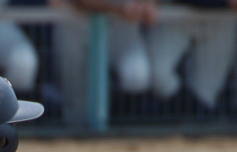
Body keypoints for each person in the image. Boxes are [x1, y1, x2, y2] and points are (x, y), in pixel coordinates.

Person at [147, 0, 237, 114]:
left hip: (219, 19)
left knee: (206, 94)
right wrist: (233, 2)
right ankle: (189, 115)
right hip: (176, 14)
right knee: (158, 74)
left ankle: (196, 122)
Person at [49, 0, 158, 128]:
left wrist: (147, 4)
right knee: (76, 98)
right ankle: (77, 132)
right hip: (76, 21)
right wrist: (120, 7)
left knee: (137, 74)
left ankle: (126, 130)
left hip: (121, 25)